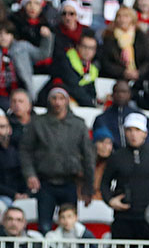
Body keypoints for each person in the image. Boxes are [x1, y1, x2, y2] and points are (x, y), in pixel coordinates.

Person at [20, 87, 94, 234]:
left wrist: (88, 187)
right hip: (45, 182)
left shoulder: (78, 124)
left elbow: (88, 156)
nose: (57, 102)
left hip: (70, 182)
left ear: (67, 101)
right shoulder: (37, 123)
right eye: (54, 98)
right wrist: (30, 174)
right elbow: (25, 150)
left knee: (70, 227)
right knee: (44, 227)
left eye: (61, 98)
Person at [100, 113, 149, 240]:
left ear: (145, 133)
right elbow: (104, 183)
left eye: (137, 130)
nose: (133, 134)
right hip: (123, 217)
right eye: (129, 130)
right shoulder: (116, 156)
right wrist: (110, 200)